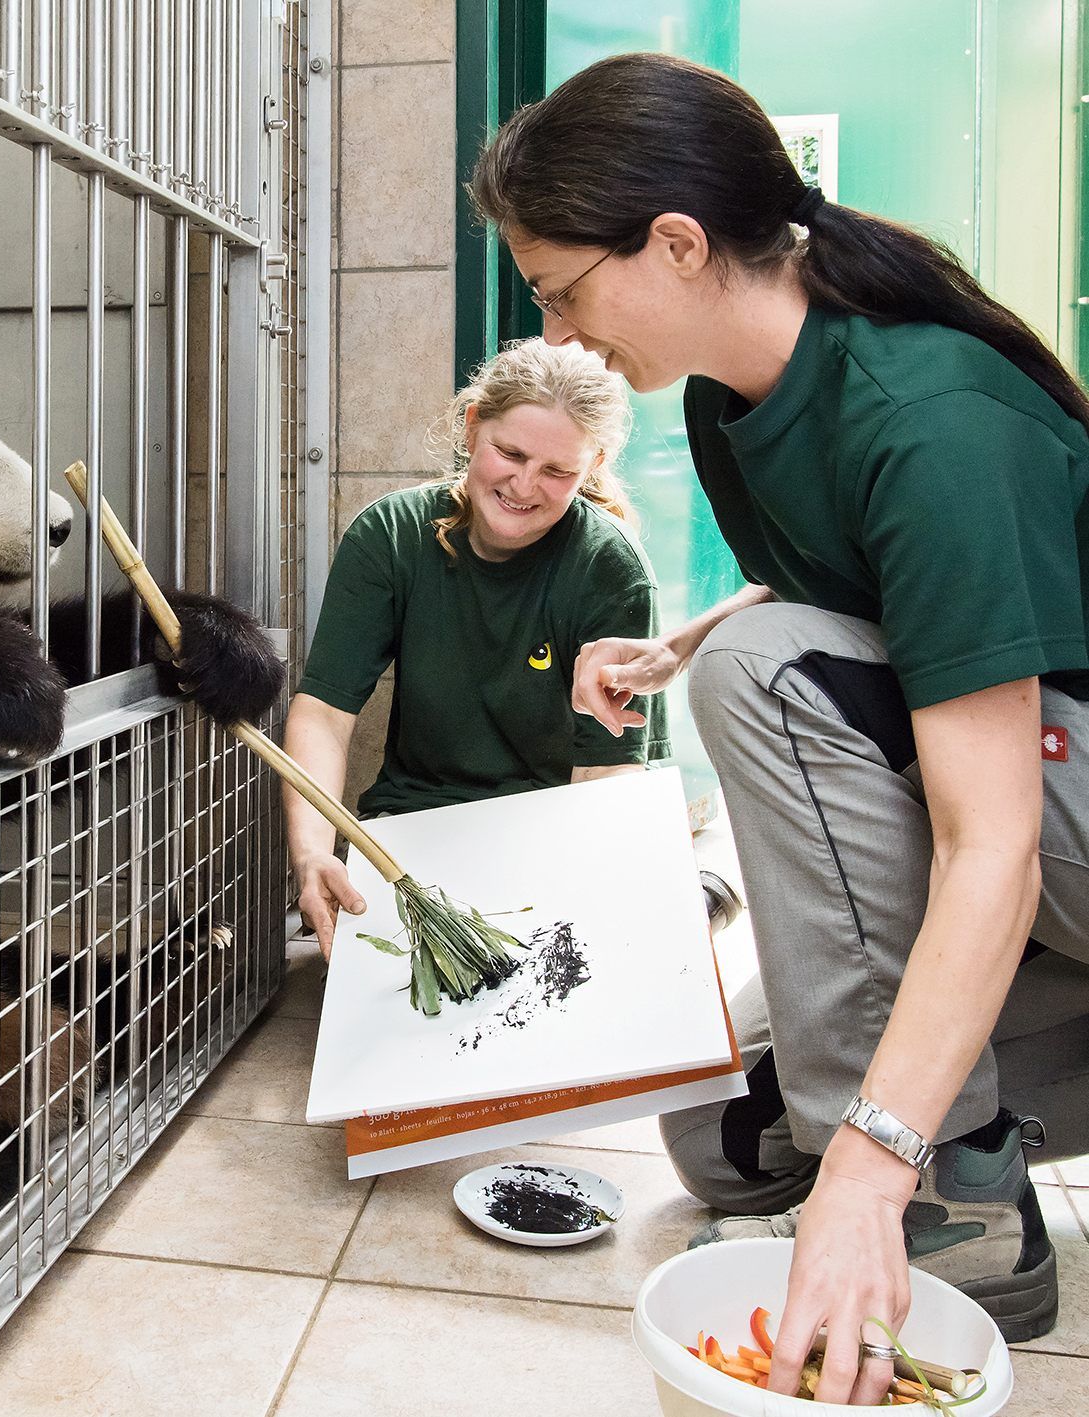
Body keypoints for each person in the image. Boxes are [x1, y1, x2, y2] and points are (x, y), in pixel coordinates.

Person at [470, 51, 1089, 1407]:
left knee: (758, 673)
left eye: (560, 290)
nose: (561, 336)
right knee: (718, 1136)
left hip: (1059, 825)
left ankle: (962, 1205)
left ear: (677, 243)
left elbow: (994, 844)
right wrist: (673, 640)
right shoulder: (727, 401)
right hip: (1041, 842)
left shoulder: (931, 419)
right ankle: (949, 1125)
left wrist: (872, 1170)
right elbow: (855, 598)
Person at [284, 338, 670, 956]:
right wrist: (312, 854)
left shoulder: (608, 566)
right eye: (509, 453)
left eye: (557, 471)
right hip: (412, 829)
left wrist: (589, 893)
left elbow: (609, 772)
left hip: (550, 829)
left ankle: (704, 896)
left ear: (593, 464)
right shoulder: (391, 536)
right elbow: (324, 715)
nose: (523, 485)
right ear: (472, 427)